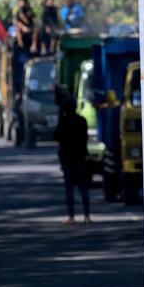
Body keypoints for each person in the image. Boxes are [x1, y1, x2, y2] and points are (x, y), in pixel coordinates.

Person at [54, 96, 91, 225]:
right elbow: (85, 138)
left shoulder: (64, 122)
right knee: (83, 188)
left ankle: (72, 216)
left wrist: (60, 117)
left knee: (70, 189)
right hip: (80, 158)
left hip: (68, 159)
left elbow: (56, 136)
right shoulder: (82, 121)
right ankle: (87, 215)